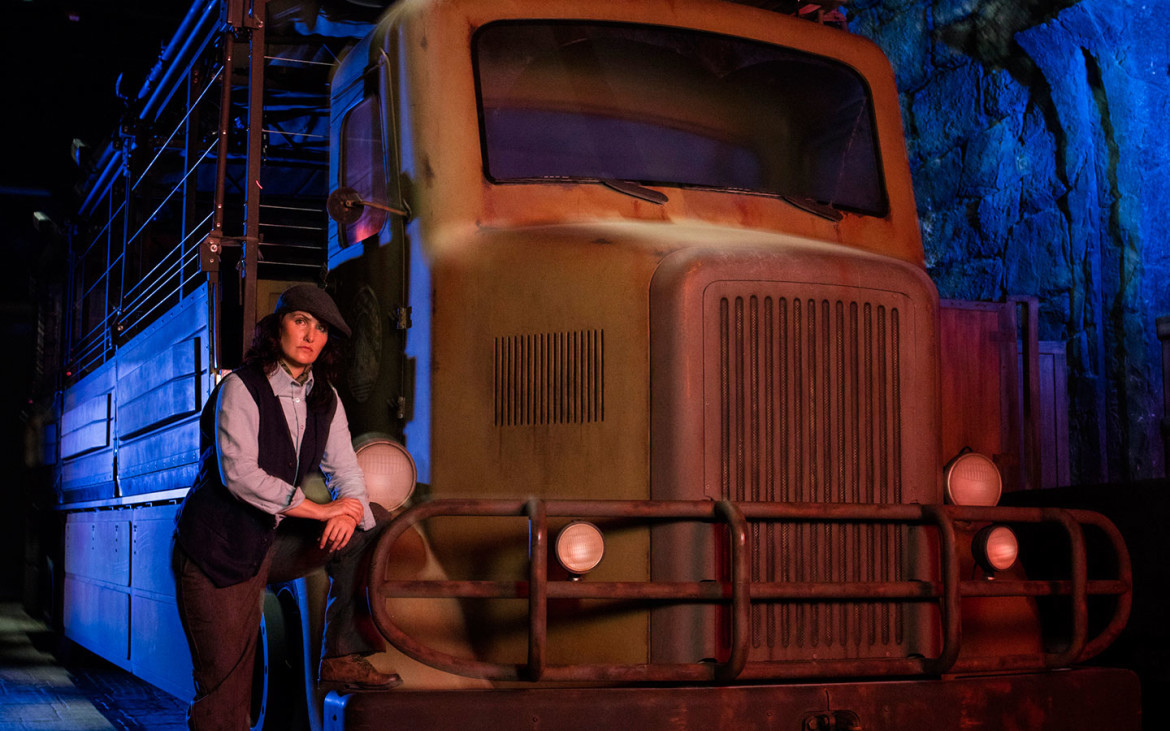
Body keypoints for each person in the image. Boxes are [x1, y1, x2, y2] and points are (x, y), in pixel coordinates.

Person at [173, 284, 399, 730]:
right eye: (301, 322)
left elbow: (346, 470)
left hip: (269, 544)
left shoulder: (325, 398)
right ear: (277, 328)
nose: (311, 335)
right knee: (226, 693)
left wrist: (351, 509)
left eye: (321, 329)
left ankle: (340, 655)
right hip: (218, 551)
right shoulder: (241, 387)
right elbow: (239, 475)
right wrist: (322, 511)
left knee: (375, 524)